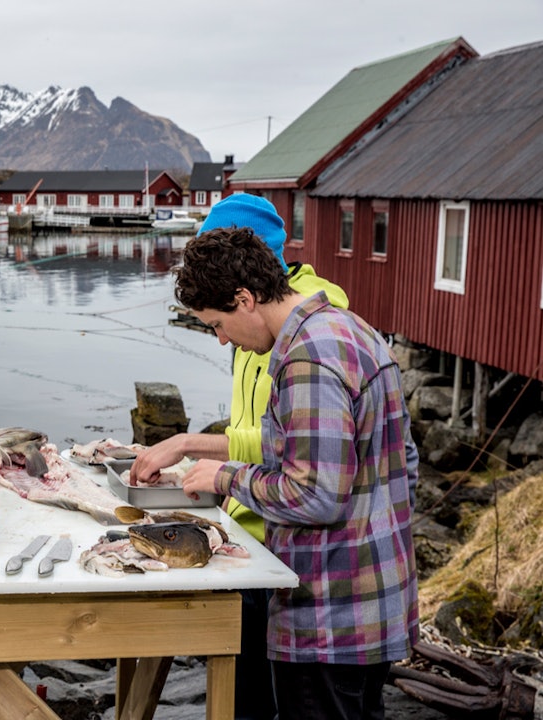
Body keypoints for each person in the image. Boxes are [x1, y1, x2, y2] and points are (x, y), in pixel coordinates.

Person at [171, 226, 419, 720]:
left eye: (217, 324)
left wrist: (225, 478)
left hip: (327, 618)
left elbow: (317, 495)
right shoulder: (350, 327)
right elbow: (402, 460)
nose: (222, 341)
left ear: (245, 299)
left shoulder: (306, 357)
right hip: (374, 604)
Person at [130, 193, 350, 720]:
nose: (221, 339)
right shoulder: (258, 326)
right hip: (248, 533)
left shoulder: (311, 334)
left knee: (275, 698)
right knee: (246, 691)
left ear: (245, 284)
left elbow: (303, 465)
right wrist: (206, 462)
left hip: (293, 554)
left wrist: (199, 453)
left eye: (218, 324)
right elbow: (263, 435)